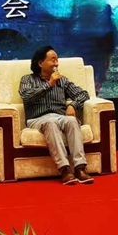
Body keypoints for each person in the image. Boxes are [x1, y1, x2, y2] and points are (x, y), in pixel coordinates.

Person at [19, 46, 94, 185]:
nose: (56, 64)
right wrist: (49, 84)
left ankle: (80, 168)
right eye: (52, 60)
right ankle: (65, 170)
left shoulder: (62, 81)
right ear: (40, 63)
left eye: (57, 60)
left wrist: (73, 105)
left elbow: (83, 94)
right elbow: (26, 96)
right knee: (51, 123)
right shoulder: (27, 80)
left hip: (60, 117)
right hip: (38, 118)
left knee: (72, 121)